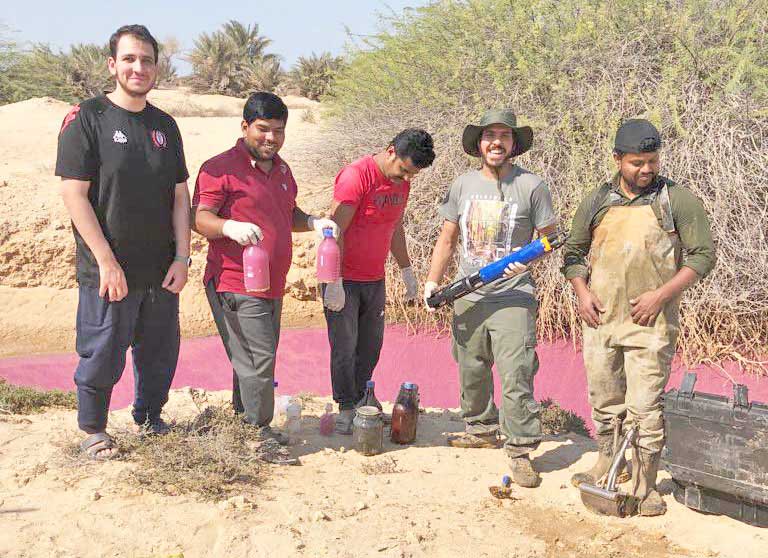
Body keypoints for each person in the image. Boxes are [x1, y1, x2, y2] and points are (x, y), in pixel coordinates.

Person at [563, 119, 715, 515]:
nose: (646, 169)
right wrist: (582, 293)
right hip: (600, 321)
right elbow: (573, 254)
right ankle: (605, 461)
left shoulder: (676, 200)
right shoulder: (597, 200)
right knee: (605, 399)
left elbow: (702, 257)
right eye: (636, 162)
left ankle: (645, 483)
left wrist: (660, 296)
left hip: (652, 324)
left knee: (645, 407)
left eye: (652, 160)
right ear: (617, 159)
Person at [56, 25, 191, 459]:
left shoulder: (165, 126)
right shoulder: (87, 118)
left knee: (159, 353)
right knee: (102, 351)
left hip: (160, 268)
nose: (139, 67)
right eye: (130, 59)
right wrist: (106, 260)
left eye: (147, 60)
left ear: (156, 67)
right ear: (113, 64)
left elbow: (179, 195)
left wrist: (183, 257)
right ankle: (93, 429)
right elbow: (75, 195)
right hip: (108, 269)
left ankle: (150, 418)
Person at [193, 92, 338, 444]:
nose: (271, 138)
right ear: (245, 127)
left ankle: (243, 425)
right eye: (262, 129)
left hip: (272, 283)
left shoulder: (283, 170)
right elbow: (198, 218)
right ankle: (258, 434)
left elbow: (288, 215)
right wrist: (229, 227)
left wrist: (314, 221)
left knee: (251, 358)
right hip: (235, 281)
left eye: (278, 130)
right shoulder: (221, 168)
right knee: (258, 360)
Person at [424, 109, 558, 488]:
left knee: (517, 370)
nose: (496, 142)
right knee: (471, 365)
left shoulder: (533, 186)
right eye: (489, 136)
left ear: (514, 144)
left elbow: (548, 237)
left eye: (504, 136)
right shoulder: (462, 185)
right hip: (468, 294)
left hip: (514, 295)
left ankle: (519, 450)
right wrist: (433, 283)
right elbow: (447, 239)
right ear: (479, 144)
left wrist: (527, 260)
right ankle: (480, 427)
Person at [323, 129, 435, 434]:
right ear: (390, 152)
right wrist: (334, 279)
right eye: (404, 170)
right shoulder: (356, 177)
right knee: (344, 346)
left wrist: (406, 269)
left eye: (413, 174)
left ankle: (361, 400)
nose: (406, 179)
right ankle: (346, 407)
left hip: (375, 277)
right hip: (343, 278)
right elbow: (335, 230)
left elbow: (394, 226)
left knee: (371, 345)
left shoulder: (403, 183)